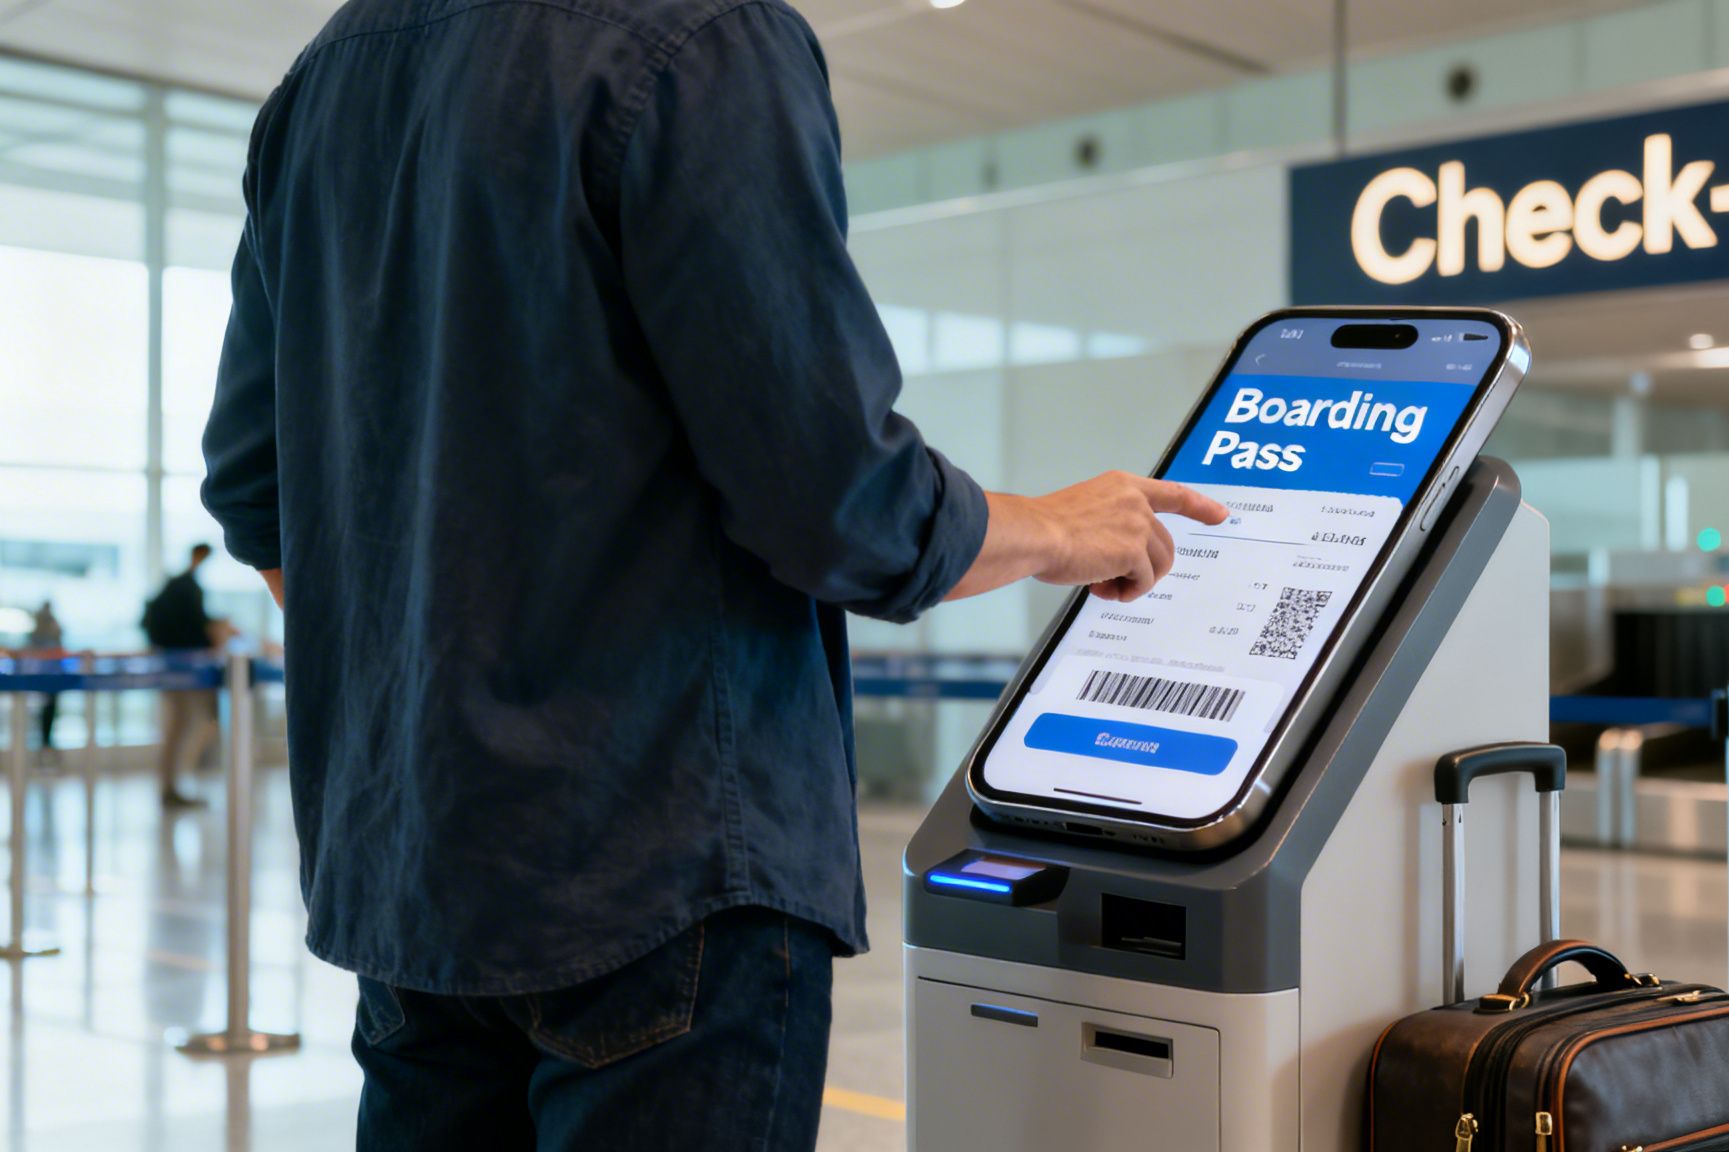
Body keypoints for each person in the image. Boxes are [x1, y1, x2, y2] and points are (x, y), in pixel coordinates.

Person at [199, 1, 1227, 1149]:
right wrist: (1050, 529)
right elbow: (834, 501)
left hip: (415, 886)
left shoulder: (324, 79)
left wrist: (444, 693)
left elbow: (257, 496)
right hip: (659, 875)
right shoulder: (698, 38)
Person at [142, 544, 223, 809]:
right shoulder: (186, 586)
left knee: (180, 726)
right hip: (183, 670)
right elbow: (196, 625)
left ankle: (172, 785)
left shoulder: (176, 585)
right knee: (185, 726)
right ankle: (171, 786)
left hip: (174, 666)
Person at [28, 601, 62, 764]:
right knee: (43, 714)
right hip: (44, 679)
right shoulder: (42, 632)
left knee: (48, 714)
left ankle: (46, 747)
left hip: (50, 679)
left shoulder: (50, 630)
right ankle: (43, 747)